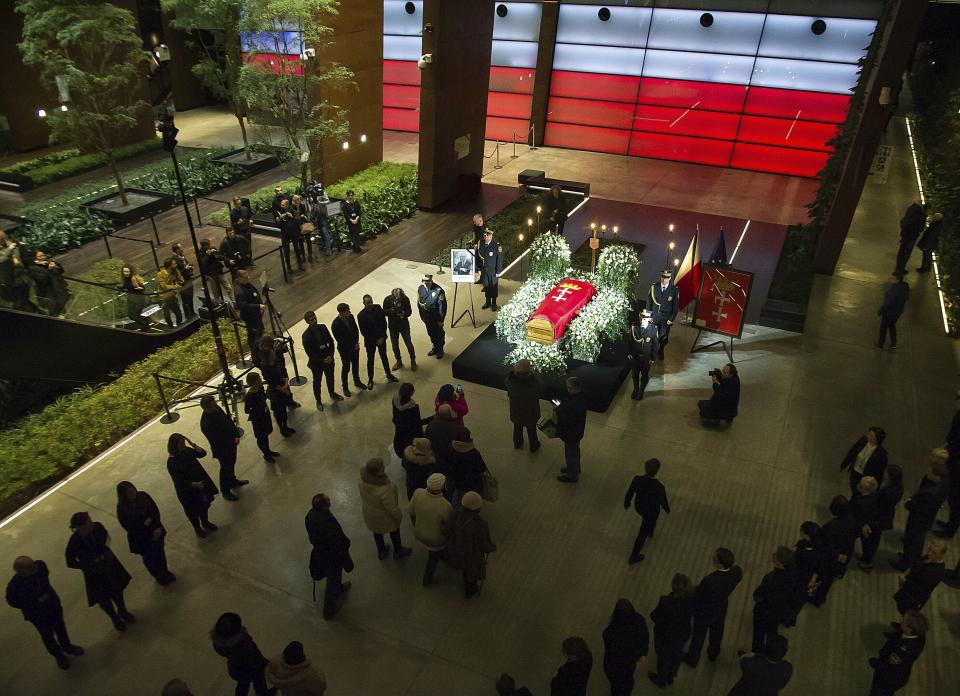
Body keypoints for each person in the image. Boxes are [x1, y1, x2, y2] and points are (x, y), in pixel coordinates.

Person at [5, 556, 84, 670]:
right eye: (31, 568)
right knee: (47, 635)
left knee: (60, 626)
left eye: (33, 565)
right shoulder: (15, 586)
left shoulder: (40, 566)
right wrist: (30, 604)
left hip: (52, 605)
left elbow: (45, 574)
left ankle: (67, 646)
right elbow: (12, 601)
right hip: (38, 614)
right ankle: (58, 655)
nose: (35, 568)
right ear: (22, 572)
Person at [64, 511, 135, 632]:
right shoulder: (75, 541)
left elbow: (105, 539)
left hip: (108, 565)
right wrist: (86, 565)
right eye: (88, 522)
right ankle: (114, 618)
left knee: (117, 590)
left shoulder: (97, 527)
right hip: (95, 574)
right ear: (80, 527)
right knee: (103, 599)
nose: (91, 523)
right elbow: (70, 561)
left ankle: (122, 610)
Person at [891, 449, 950, 570]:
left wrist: (909, 503)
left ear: (936, 476)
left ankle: (904, 564)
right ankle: (912, 558)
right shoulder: (944, 483)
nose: (928, 473)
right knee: (917, 542)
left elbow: (917, 507)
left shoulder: (930, 493)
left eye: (930, 472)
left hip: (918, 520)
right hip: (926, 519)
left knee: (912, 542)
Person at [684, 548, 743, 668]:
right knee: (717, 630)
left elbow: (699, 594)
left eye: (715, 557)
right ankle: (713, 652)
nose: (713, 558)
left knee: (699, 634)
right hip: (720, 607)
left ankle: (693, 658)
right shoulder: (736, 572)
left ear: (719, 563)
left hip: (705, 611)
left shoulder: (709, 580)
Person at [116, 481, 175, 585]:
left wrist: (156, 527)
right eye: (129, 493)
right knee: (150, 559)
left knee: (160, 554)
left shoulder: (143, 496)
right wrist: (151, 533)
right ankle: (159, 576)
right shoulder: (122, 509)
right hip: (143, 539)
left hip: (156, 531)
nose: (133, 493)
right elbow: (130, 527)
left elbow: (155, 511)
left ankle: (165, 572)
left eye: (133, 490)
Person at [305, 493, 353, 620]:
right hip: (332, 557)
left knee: (335, 578)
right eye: (328, 500)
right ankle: (328, 611)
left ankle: (338, 589)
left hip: (321, 554)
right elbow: (338, 539)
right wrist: (345, 546)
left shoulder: (310, 515)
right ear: (324, 506)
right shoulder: (327, 521)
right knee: (332, 580)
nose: (330, 499)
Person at [166, 433, 219, 538]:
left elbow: (202, 453)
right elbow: (178, 481)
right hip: (188, 491)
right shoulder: (172, 463)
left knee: (204, 505)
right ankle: (197, 528)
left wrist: (193, 444)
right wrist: (194, 484)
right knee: (193, 511)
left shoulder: (186, 451)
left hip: (200, 484)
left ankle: (205, 522)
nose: (183, 445)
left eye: (184, 442)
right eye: (181, 444)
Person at [358, 458, 412, 560]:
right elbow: (392, 508)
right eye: (382, 466)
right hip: (385, 517)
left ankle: (381, 551)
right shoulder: (386, 489)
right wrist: (398, 517)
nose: (384, 467)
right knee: (394, 532)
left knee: (377, 533)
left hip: (370, 515)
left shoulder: (362, 483)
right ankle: (398, 550)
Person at [210, 612, 276, 696]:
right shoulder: (244, 647)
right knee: (259, 682)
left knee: (242, 685)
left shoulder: (218, 643)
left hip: (236, 671)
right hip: (253, 670)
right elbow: (255, 659)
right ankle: (263, 694)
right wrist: (266, 663)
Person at [809, 495, 858, 607]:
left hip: (830, 558)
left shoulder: (833, 526)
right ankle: (820, 596)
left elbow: (826, 544)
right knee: (828, 579)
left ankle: (817, 597)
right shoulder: (851, 519)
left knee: (823, 576)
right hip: (843, 554)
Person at [445, 491, 496, 597]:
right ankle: (470, 589)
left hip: (456, 550)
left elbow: (446, 531)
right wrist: (492, 547)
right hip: (472, 555)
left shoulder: (454, 515)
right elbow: (484, 544)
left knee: (464, 567)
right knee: (471, 571)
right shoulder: (481, 524)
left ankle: (467, 584)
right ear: (478, 508)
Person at [200, 394, 247, 502]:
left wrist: (235, 434)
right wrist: (231, 440)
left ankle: (232, 481)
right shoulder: (206, 424)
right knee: (225, 468)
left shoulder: (216, 409)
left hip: (230, 443)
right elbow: (217, 439)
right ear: (208, 407)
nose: (216, 404)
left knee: (231, 463)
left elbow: (228, 421)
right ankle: (225, 490)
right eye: (213, 403)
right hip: (222, 449)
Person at [649, 573, 693, 688]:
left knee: (663, 659)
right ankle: (670, 676)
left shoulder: (665, 602)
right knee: (676, 656)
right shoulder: (690, 601)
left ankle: (661, 680)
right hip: (681, 635)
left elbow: (654, 616)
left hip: (664, 636)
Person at [749, 546, 797, 654]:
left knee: (758, 633)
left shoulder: (771, 578)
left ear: (780, 564)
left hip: (765, 611)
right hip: (780, 610)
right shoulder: (794, 573)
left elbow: (759, 594)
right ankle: (771, 652)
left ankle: (756, 654)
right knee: (772, 630)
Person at [868, 609, 927, 696]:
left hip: (889, 677)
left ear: (909, 629)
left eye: (903, 621)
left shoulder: (903, 651)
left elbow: (889, 663)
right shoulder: (919, 636)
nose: (900, 621)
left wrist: (879, 665)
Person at [623, 458, 670, 564]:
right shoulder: (659, 487)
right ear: (657, 471)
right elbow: (663, 500)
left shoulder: (637, 479)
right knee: (643, 532)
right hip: (652, 511)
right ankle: (634, 555)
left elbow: (630, 492)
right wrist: (667, 509)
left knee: (648, 522)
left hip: (639, 506)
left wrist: (627, 502)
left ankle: (650, 529)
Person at [409, 473, 453, 586]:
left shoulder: (418, 493)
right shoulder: (445, 505)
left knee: (438, 552)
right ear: (442, 487)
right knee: (433, 556)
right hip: (435, 539)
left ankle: (445, 555)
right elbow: (448, 526)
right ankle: (427, 580)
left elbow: (411, 512)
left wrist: (416, 525)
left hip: (419, 532)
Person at [860, 465, 904, 570]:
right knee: (874, 538)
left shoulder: (887, 492)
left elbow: (878, 506)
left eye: (886, 473)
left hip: (877, 519)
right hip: (884, 518)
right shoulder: (898, 487)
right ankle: (866, 557)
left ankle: (867, 560)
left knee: (869, 539)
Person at [602, 598, 649, 696]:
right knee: (627, 679)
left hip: (615, 666)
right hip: (631, 661)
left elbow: (610, 652)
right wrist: (643, 653)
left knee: (617, 685)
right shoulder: (639, 620)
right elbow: (645, 637)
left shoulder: (609, 633)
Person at [302, 310, 344, 410]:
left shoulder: (323, 327)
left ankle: (332, 393)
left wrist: (331, 355)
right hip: (317, 363)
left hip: (328, 359)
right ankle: (318, 400)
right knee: (317, 382)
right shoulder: (306, 336)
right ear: (307, 322)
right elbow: (310, 353)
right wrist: (322, 360)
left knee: (330, 378)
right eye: (311, 320)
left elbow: (331, 341)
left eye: (315, 318)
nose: (314, 321)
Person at [893, 539, 947, 614]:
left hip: (914, 597)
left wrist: (903, 580)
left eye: (934, 552)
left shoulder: (934, 572)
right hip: (908, 589)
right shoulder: (930, 558)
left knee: (908, 615)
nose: (929, 553)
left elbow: (919, 588)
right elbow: (916, 563)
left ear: (942, 554)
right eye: (929, 549)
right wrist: (907, 572)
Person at [260, 334, 300, 437]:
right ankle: (283, 429)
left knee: (283, 413)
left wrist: (285, 381)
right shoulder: (267, 368)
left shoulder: (273, 364)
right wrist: (284, 389)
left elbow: (280, 376)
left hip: (281, 387)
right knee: (279, 412)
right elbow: (273, 383)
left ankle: (285, 426)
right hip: (277, 393)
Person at [728, 635, 793, 696]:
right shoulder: (787, 669)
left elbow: (743, 658)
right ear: (784, 652)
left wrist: (754, 655)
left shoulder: (750, 663)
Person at [358, 294, 399, 388]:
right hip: (370, 342)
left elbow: (383, 323)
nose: (370, 304)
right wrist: (375, 340)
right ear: (364, 303)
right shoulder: (361, 315)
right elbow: (364, 331)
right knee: (370, 360)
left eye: (371, 301)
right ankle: (370, 379)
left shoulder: (378, 308)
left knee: (384, 357)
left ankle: (388, 374)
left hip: (381, 338)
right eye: (368, 302)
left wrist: (382, 337)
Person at [934, 389, 960, 539]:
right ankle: (950, 523)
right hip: (954, 459)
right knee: (952, 497)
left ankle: (950, 530)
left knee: (956, 499)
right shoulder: (958, 415)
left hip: (957, 463)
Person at [840, 426, 888, 497]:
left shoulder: (881, 454)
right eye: (868, 434)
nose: (868, 436)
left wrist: (876, 487)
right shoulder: (863, 441)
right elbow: (852, 452)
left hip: (865, 478)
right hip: (855, 471)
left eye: (871, 435)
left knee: (862, 495)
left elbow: (879, 473)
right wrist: (844, 464)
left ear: (877, 439)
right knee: (854, 490)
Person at [505, 359, 541, 452]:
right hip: (531, 412)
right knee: (531, 430)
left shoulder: (510, 382)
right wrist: (533, 374)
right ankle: (534, 445)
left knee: (517, 428)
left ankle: (517, 443)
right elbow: (539, 385)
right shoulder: (533, 385)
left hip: (516, 411)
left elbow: (509, 376)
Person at [557, 376, 588, 483]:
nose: (567, 390)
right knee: (574, 451)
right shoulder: (580, 398)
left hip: (571, 433)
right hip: (576, 432)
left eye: (569, 388)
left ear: (574, 388)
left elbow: (568, 417)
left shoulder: (575, 403)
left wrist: (558, 409)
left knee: (571, 453)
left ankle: (572, 475)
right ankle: (575, 468)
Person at [332, 302, 367, 396]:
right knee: (346, 367)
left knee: (355, 365)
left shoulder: (350, 317)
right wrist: (352, 346)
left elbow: (356, 330)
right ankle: (345, 387)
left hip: (354, 346)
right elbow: (341, 339)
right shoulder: (336, 324)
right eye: (347, 311)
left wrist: (356, 342)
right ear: (342, 312)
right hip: (345, 349)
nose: (349, 312)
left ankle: (357, 381)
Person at [447, 427, 488, 507]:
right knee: (473, 503)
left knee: (456, 502)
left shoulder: (450, 449)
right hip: (472, 483)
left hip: (457, 482)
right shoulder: (474, 453)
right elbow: (482, 468)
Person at [244, 373, 279, 463]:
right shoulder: (250, 396)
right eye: (258, 379)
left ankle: (268, 451)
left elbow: (264, 398)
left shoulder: (260, 389)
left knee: (265, 435)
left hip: (265, 415)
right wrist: (258, 410)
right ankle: (266, 454)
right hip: (258, 419)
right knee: (261, 437)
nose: (260, 380)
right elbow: (247, 410)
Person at [646, 269, 679, 361]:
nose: (664, 280)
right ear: (661, 277)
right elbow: (649, 303)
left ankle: (661, 351)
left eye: (667, 277)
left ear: (670, 278)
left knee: (663, 337)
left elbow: (675, 307)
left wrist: (671, 319)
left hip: (666, 318)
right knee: (652, 335)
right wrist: (648, 316)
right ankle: (652, 352)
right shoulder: (654, 287)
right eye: (663, 277)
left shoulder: (674, 290)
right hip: (655, 316)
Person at [236, 270, 266, 367]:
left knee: (260, 332)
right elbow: (244, 306)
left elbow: (255, 293)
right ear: (240, 278)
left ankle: (262, 353)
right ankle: (256, 357)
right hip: (250, 317)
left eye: (247, 276)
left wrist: (260, 305)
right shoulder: (239, 291)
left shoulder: (248, 284)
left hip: (256, 315)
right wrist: (258, 306)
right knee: (254, 337)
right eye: (245, 277)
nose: (247, 278)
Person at [627, 309, 659, 400]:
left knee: (644, 375)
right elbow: (630, 341)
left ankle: (641, 391)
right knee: (634, 374)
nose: (643, 320)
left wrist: (652, 357)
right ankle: (636, 389)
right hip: (635, 356)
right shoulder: (634, 327)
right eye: (642, 318)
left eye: (646, 318)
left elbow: (656, 345)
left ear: (650, 319)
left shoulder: (653, 329)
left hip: (646, 357)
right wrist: (629, 352)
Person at [383, 287, 417, 371]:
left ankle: (413, 360)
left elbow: (409, 311)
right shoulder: (387, 300)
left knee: (408, 343)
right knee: (395, 345)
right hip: (393, 326)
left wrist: (404, 313)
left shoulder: (405, 299)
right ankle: (399, 361)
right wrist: (391, 311)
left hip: (404, 325)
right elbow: (383, 312)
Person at [393, 382, 428, 461]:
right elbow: (417, 422)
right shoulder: (412, 407)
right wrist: (431, 418)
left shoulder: (395, 398)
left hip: (399, 427)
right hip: (410, 432)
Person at [425, 404, 459, 485]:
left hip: (433, 457)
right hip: (446, 460)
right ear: (449, 414)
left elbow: (427, 440)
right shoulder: (453, 428)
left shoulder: (431, 424)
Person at [0, 229, 33, 311]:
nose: (3, 241)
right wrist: (9, 250)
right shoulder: (8, 248)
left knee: (27, 300)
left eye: (3, 239)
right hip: (11, 282)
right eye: (1, 240)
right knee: (17, 304)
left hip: (23, 278)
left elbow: (21, 258)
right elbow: (1, 260)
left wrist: (22, 247)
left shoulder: (9, 244)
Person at [29, 250, 70, 316]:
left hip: (57, 288)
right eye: (40, 256)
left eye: (43, 255)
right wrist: (49, 269)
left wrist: (57, 267)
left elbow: (61, 271)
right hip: (47, 291)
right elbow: (42, 279)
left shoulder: (49, 262)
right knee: (53, 308)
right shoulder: (33, 268)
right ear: (35, 258)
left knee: (62, 305)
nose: (43, 257)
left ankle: (63, 316)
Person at [876, 272, 909, 350]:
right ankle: (893, 343)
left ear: (897, 280)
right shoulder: (904, 287)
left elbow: (888, 303)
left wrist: (881, 311)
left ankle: (881, 343)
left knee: (883, 328)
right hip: (898, 312)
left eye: (892, 278)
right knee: (891, 325)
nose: (890, 279)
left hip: (889, 313)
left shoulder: (894, 291)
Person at [893, 200, 927, 275]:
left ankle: (899, 268)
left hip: (906, 234)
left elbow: (905, 221)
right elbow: (920, 226)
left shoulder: (912, 208)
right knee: (906, 253)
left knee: (902, 251)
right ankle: (900, 269)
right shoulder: (920, 213)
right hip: (911, 236)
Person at [417, 274, 447, 357]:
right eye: (425, 281)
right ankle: (435, 348)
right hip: (427, 317)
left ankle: (440, 349)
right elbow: (419, 303)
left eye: (428, 281)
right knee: (431, 333)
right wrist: (421, 316)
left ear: (431, 281)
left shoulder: (438, 290)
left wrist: (441, 320)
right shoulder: (421, 288)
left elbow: (442, 306)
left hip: (436, 318)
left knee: (439, 334)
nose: (427, 283)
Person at [200, 237, 234, 306]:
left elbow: (220, 256)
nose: (209, 246)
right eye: (207, 245)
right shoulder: (200, 253)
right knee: (215, 291)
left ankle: (234, 302)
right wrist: (207, 255)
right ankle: (219, 305)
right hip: (210, 274)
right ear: (204, 246)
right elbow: (203, 264)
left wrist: (215, 254)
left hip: (218, 271)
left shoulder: (212, 248)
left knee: (228, 287)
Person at [477, 229, 504, 311]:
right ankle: (487, 302)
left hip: (493, 271)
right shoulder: (482, 244)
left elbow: (499, 259)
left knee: (493, 287)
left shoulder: (496, 246)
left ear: (491, 236)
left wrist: (498, 271)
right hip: (485, 270)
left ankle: (494, 303)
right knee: (487, 286)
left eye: (487, 236)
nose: (485, 237)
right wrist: (479, 269)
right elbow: (480, 257)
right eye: (484, 236)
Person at [277, 198, 305, 272]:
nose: (281, 206)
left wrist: (292, 217)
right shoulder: (280, 212)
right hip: (285, 234)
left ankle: (300, 264)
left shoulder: (293, 210)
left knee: (297, 249)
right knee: (286, 251)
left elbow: (299, 221)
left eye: (283, 205)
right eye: (281, 205)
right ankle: (288, 267)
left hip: (294, 233)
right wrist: (280, 219)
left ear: (287, 205)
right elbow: (278, 225)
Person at [155, 257, 184, 327]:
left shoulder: (175, 271)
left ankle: (179, 325)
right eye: (174, 264)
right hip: (164, 297)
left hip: (172, 295)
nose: (176, 265)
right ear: (169, 266)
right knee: (167, 314)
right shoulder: (160, 274)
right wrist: (174, 287)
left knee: (178, 312)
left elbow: (181, 279)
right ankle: (170, 326)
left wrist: (180, 282)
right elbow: (164, 286)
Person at [170, 242, 196, 319]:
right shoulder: (174, 259)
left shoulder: (182, 256)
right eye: (181, 248)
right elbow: (176, 273)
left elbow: (186, 265)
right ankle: (188, 315)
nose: (182, 249)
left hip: (188, 278)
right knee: (186, 299)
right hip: (183, 282)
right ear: (177, 250)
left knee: (190, 297)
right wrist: (185, 269)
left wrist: (190, 267)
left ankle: (192, 312)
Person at [291, 194, 313, 263]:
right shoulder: (292, 208)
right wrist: (300, 217)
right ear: (294, 201)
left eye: (299, 199)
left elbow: (305, 215)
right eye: (298, 199)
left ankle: (310, 254)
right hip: (298, 227)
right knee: (300, 242)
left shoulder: (302, 206)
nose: (299, 200)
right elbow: (294, 218)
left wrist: (304, 217)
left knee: (308, 240)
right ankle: (303, 255)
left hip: (305, 225)